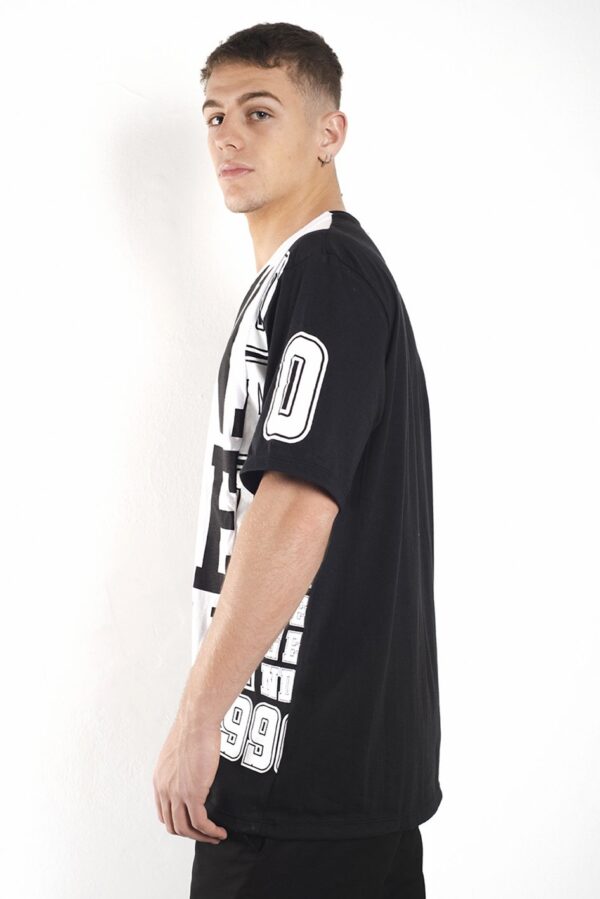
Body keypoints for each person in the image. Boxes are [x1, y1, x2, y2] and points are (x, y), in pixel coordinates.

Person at [152, 21, 443, 899]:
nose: (227, 135)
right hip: (308, 788)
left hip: (304, 795)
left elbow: (297, 502)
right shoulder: (299, 278)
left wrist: (197, 718)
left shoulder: (327, 273)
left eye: (259, 111)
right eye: (214, 115)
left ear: (329, 132)